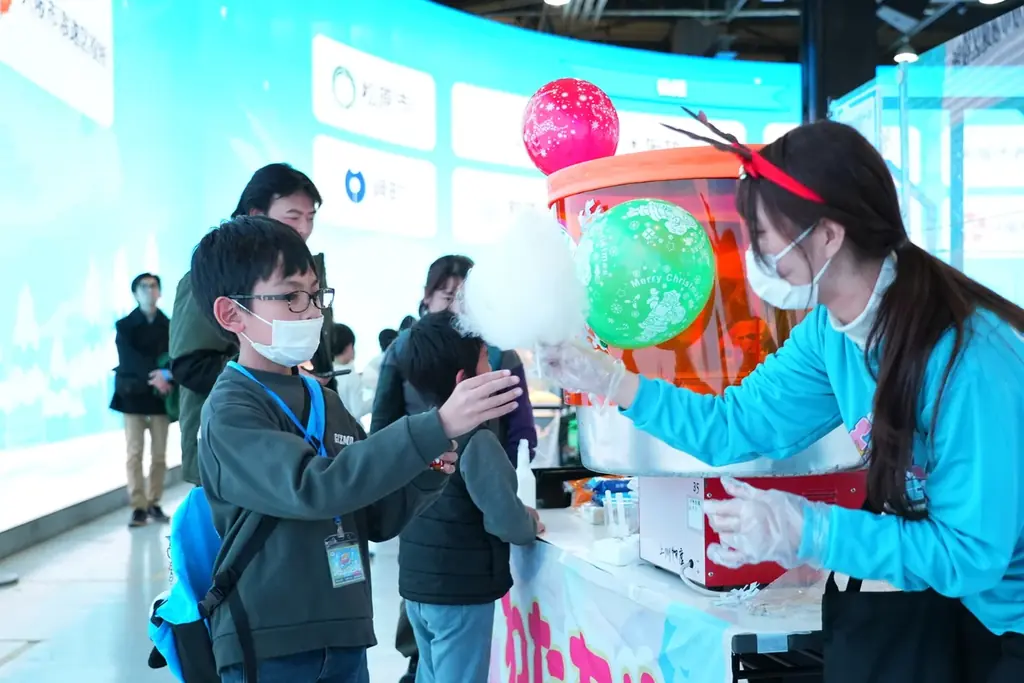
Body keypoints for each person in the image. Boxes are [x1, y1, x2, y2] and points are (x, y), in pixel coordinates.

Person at [540, 118, 1024, 681]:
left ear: (828, 235)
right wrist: (614, 383)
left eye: (764, 235)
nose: (754, 252)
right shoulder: (831, 333)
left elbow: (969, 554)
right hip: (968, 609)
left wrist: (811, 532)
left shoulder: (968, 356)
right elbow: (735, 427)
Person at [190, 216, 523, 683]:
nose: (312, 313)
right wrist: (436, 425)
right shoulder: (231, 410)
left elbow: (375, 517)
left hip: (345, 634)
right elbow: (314, 488)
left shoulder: (323, 400)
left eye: (316, 295)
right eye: (291, 297)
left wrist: (431, 467)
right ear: (232, 314)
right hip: (270, 642)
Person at [370, 254, 539, 682]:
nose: (493, 369)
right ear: (465, 380)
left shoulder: (414, 436)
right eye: (486, 363)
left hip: (418, 582)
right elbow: (505, 518)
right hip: (462, 589)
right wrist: (528, 522)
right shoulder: (478, 441)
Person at [170, 163, 331, 487]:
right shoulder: (213, 277)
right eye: (293, 217)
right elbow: (190, 365)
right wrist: (276, 378)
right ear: (257, 213)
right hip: (235, 454)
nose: (303, 229)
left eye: (310, 218)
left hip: (301, 435)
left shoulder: (310, 272)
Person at [110, 273, 173, 528]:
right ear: (135, 293)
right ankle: (138, 506)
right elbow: (129, 360)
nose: (149, 290)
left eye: (153, 286)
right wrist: (156, 376)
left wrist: (166, 375)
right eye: (143, 286)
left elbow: (175, 355)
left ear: (160, 291)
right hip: (133, 396)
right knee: (134, 453)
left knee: (159, 455)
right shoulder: (124, 326)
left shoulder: (169, 324)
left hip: (159, 398)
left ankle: (154, 502)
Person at [329, 323, 367, 419]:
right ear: (349, 347)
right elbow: (358, 411)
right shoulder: (351, 376)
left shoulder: (325, 374)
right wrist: (375, 399)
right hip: (351, 426)